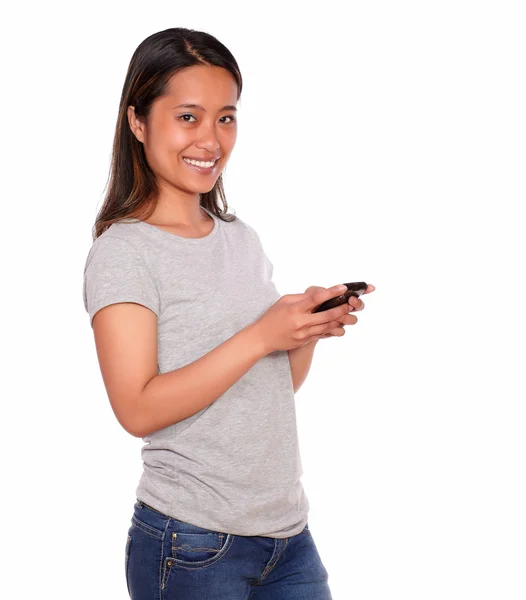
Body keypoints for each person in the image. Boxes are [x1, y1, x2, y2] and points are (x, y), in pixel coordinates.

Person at [82, 26, 374, 600]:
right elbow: (136, 407)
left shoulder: (240, 238)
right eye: (188, 117)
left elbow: (270, 388)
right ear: (137, 122)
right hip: (191, 544)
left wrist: (302, 334)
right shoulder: (123, 252)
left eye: (227, 117)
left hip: (289, 538)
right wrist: (262, 335)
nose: (211, 139)